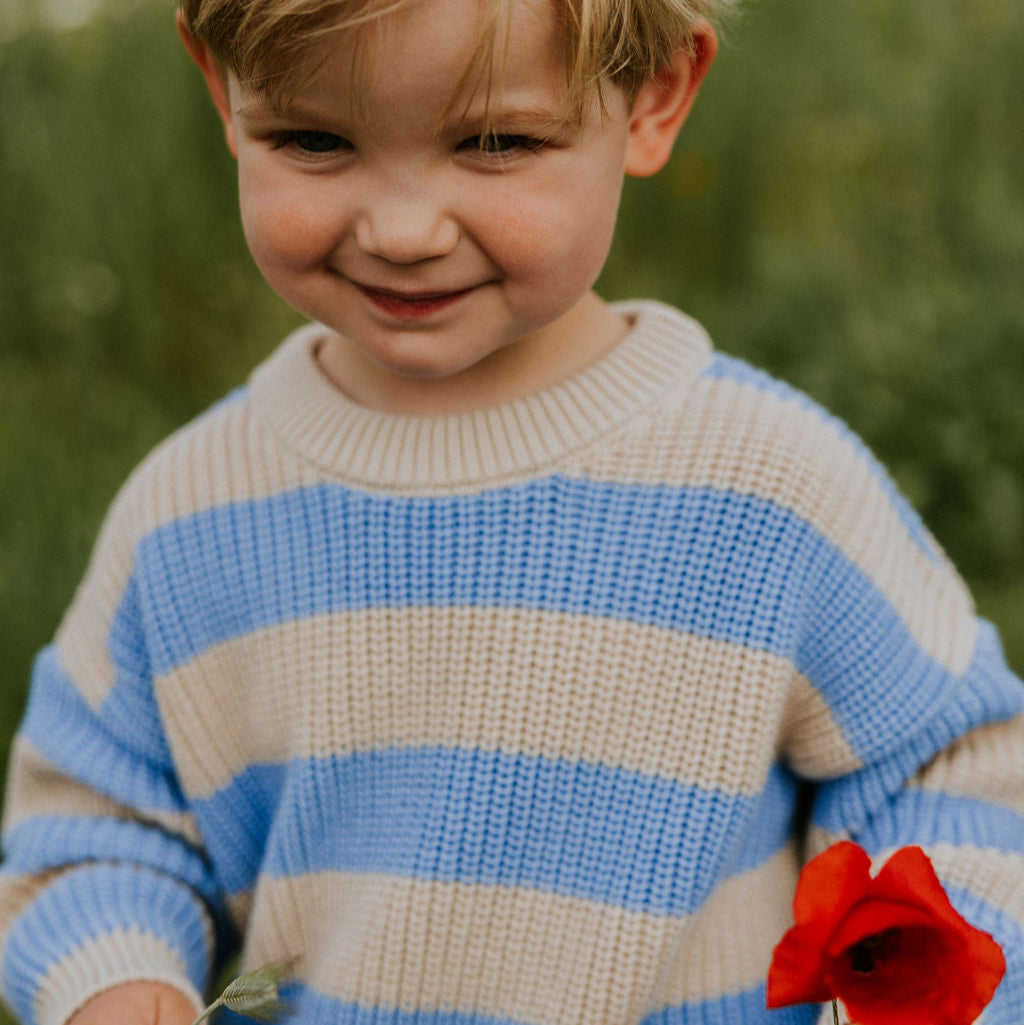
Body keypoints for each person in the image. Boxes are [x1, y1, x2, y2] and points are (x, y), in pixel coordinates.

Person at [1, 0, 1022, 1023]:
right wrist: (117, 976)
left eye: (495, 142)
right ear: (222, 89)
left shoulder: (763, 486)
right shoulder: (188, 510)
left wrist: (929, 991)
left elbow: (954, 772)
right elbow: (97, 825)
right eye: (313, 139)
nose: (403, 232)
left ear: (654, 95)